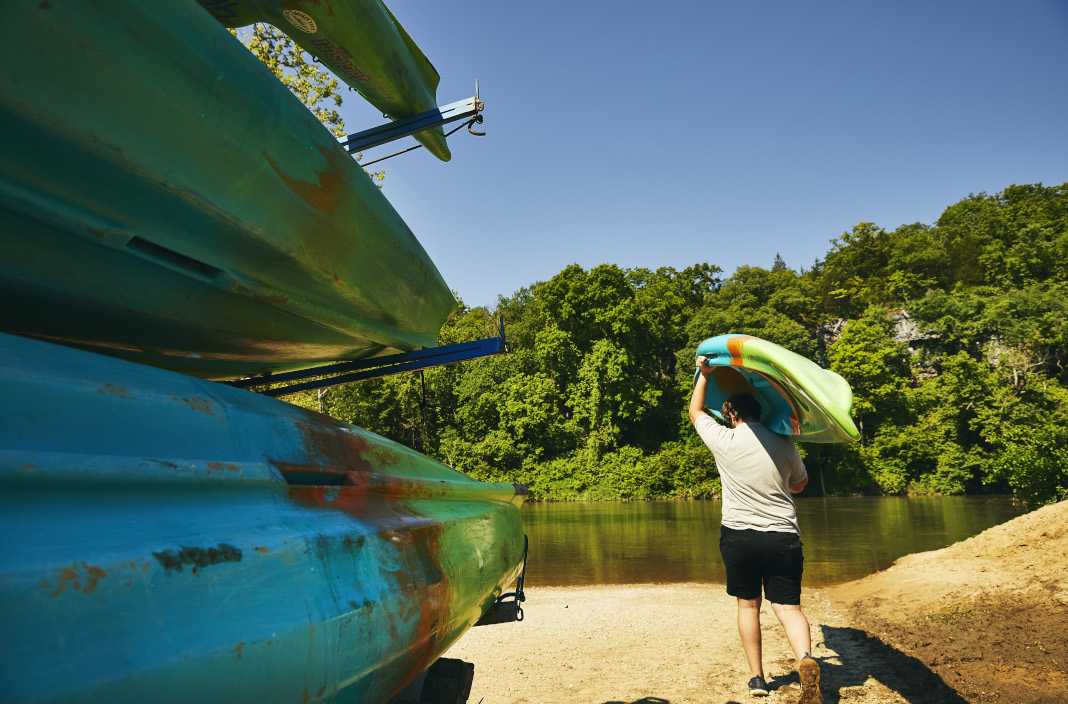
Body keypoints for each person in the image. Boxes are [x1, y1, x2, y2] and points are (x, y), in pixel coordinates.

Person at [689, 356, 822, 702]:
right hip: (782, 537)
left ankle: (758, 679)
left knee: (749, 606)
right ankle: (806, 660)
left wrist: (705, 375)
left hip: (740, 537)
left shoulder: (724, 439)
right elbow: (799, 486)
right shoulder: (786, 444)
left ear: (732, 414)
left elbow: (696, 412)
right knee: (788, 608)